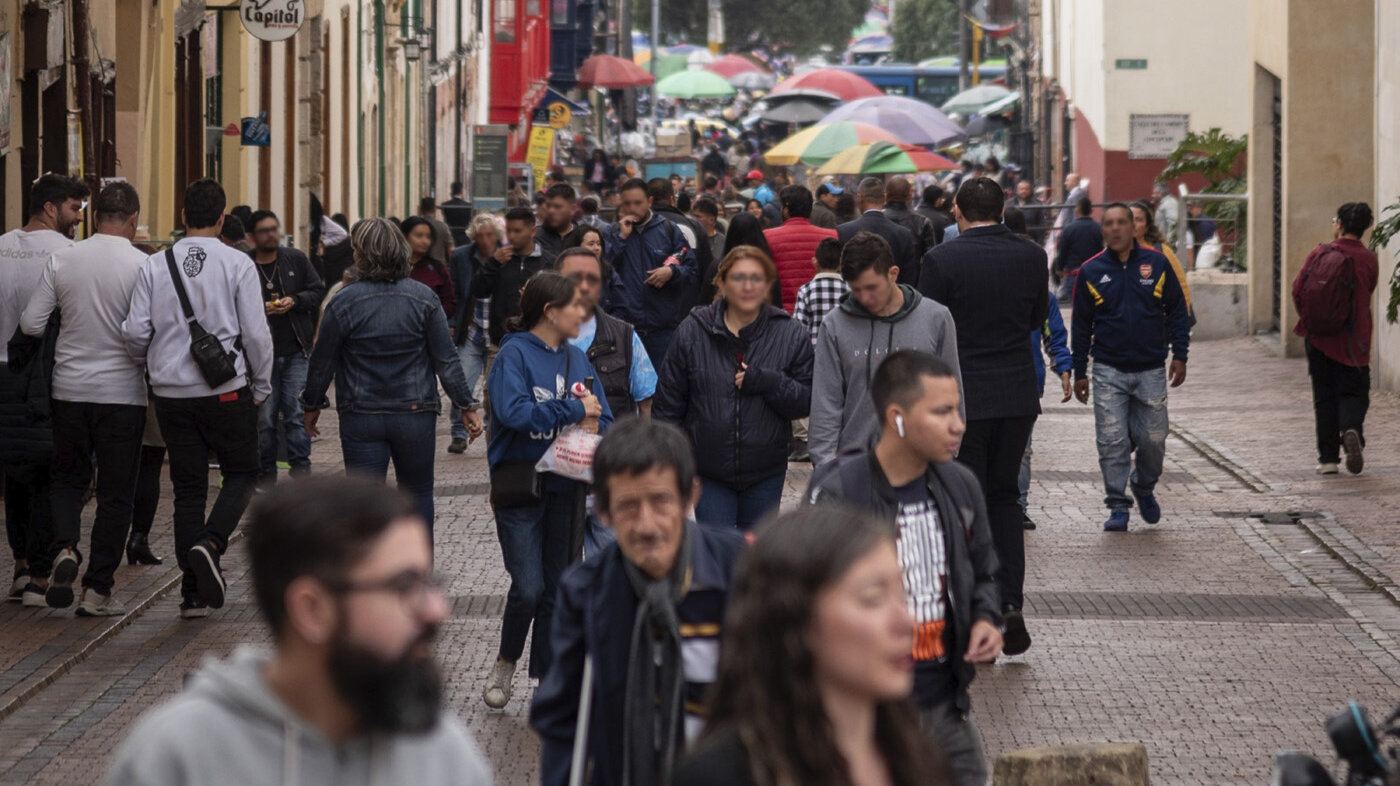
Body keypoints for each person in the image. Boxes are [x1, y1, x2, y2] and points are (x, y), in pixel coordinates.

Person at [104, 476, 495, 785]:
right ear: (312, 609)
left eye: (429, 583)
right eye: (404, 587)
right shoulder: (174, 759)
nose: (437, 610)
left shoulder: (443, 754)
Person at [804, 350, 1002, 786]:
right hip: (865, 719)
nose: (959, 424)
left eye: (957, 409)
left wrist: (987, 617)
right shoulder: (840, 491)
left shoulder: (960, 485)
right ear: (897, 418)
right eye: (942, 411)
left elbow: (984, 569)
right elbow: (804, 599)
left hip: (945, 709)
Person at [530, 418, 744, 786]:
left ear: (690, 497)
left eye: (660, 501)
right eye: (628, 507)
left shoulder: (741, 571)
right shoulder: (586, 591)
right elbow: (564, 719)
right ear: (604, 513)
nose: (646, 525)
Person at [674, 507, 952, 786]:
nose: (907, 622)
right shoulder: (720, 775)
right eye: (873, 598)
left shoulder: (921, 755)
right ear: (794, 617)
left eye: (903, 596)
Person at [122, 178, 274, 619]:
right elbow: (256, 334)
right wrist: (260, 387)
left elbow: (135, 332)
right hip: (225, 391)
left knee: (187, 488)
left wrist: (149, 364)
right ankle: (211, 542)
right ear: (223, 218)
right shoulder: (238, 263)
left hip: (170, 394)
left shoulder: (155, 264)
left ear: (183, 215)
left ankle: (192, 594)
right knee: (243, 473)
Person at [918, 177, 1048, 657]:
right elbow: (1036, 317)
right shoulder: (1032, 256)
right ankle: (1010, 601)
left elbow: (930, 326)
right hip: (1015, 394)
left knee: (962, 505)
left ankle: (976, 608)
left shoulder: (941, 260)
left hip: (962, 397)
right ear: (1002, 206)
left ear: (957, 210)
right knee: (1005, 499)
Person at [482, 272, 613, 708]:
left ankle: (547, 680)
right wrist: (574, 408)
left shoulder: (578, 358)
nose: (583, 312)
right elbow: (515, 412)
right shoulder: (514, 354)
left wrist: (594, 420)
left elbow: (605, 418)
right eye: (575, 305)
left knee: (558, 587)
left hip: (567, 486)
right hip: (520, 485)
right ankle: (506, 659)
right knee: (529, 587)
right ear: (550, 312)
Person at [301, 218, 479, 535]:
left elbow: (322, 361)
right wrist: (466, 404)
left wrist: (312, 404)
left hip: (361, 414)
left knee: (366, 502)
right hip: (415, 412)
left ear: (362, 255)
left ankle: (372, 574)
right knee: (418, 492)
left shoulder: (343, 301)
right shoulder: (424, 298)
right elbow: (446, 359)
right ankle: (419, 571)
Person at [16, 182, 144, 615]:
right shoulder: (144, 265)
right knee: (115, 491)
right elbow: (147, 333)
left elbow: (32, 324)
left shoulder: (63, 258)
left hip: (68, 389)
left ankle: (66, 548)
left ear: (94, 217)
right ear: (133, 219)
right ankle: (97, 589)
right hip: (124, 393)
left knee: (67, 479)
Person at [654, 246, 813, 531]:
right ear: (722, 283)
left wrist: (769, 382)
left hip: (766, 471)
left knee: (755, 559)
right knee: (719, 557)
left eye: (756, 278)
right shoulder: (693, 331)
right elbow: (669, 405)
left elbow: (805, 401)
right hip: (708, 470)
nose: (748, 286)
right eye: (739, 278)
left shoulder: (789, 332)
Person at [1071, 203, 1190, 532]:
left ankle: (1143, 486)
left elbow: (1177, 313)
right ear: (1103, 230)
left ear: (1133, 227)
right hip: (1108, 370)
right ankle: (1117, 504)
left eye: (1122, 222)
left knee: (1153, 438)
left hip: (1151, 369)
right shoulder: (1091, 271)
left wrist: (1180, 354)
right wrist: (1080, 371)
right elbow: (1080, 326)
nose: (1115, 228)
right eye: (1108, 223)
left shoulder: (1157, 263)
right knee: (1111, 440)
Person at [0, 173, 87, 606]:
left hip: (2, 373)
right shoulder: (69, 254)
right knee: (48, 472)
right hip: (44, 376)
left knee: (14, 474)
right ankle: (37, 572)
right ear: (52, 208)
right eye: (75, 209)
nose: (78, 219)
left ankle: (19, 566)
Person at [809, 232, 962, 467]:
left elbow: (953, 394)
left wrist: (945, 457)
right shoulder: (835, 324)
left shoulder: (936, 318)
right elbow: (826, 402)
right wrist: (826, 467)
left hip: (921, 466)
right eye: (856, 289)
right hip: (854, 469)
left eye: (871, 287)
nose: (864, 297)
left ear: (893, 274)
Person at [1292, 203, 1378, 476]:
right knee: (1354, 392)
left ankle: (1328, 459)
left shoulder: (1319, 253)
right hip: (1354, 340)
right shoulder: (1368, 259)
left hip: (1318, 338)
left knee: (1324, 396)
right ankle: (1352, 429)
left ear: (1339, 224)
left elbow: (1298, 290)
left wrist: (1313, 320)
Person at [246, 210, 325, 485]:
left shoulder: (295, 259)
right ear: (252, 237)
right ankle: (265, 476)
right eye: (264, 230)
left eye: (274, 229)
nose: (271, 234)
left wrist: (296, 300)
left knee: (294, 412)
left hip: (295, 350)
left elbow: (317, 291)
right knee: (265, 419)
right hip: (261, 355)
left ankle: (301, 470)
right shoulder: (244, 265)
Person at [603, 178, 698, 366]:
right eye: (627, 203)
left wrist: (671, 273)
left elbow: (692, 270)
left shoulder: (669, 230)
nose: (632, 208)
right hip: (625, 329)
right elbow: (602, 270)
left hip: (662, 329)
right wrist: (621, 238)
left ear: (650, 202)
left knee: (663, 385)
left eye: (638, 203)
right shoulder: (612, 233)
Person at [559, 247, 657, 418]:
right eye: (574, 278)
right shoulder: (535, 337)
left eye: (592, 279)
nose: (583, 287)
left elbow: (646, 404)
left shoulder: (625, 337)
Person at [446, 214, 499, 454]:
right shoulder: (461, 257)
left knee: (494, 388)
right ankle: (458, 431)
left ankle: (489, 429)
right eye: (480, 236)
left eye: (490, 235)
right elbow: (455, 292)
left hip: (496, 331)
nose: (486, 240)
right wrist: (453, 321)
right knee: (462, 382)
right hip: (472, 329)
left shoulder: (505, 256)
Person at [472, 207, 551, 349]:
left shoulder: (548, 262)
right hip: (501, 342)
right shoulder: (499, 259)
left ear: (532, 231)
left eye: (517, 231)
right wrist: (493, 263)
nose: (512, 236)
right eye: (508, 231)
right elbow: (479, 290)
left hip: (539, 342)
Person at [764, 185, 838, 314]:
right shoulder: (831, 236)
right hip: (822, 311)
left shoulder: (767, 237)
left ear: (786, 210)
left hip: (781, 314)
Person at [838, 177, 920, 287]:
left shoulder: (843, 231)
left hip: (854, 298)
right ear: (884, 198)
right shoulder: (903, 234)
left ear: (859, 198)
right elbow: (909, 278)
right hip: (892, 298)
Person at [1130, 200, 1194, 315]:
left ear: (1147, 227)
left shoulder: (1162, 251)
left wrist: (1183, 318)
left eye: (1138, 219)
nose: (1133, 223)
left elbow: (1180, 285)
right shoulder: (1111, 252)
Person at [402, 216, 456, 319]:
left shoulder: (437, 268)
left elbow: (450, 303)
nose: (425, 241)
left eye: (428, 237)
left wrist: (430, 314)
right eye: (419, 236)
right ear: (405, 237)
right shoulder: (392, 267)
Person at [1054, 196, 1102, 302]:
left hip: (1074, 274)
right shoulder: (1098, 228)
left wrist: (1059, 268)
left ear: (1077, 210)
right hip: (1094, 273)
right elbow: (1101, 251)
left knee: (1076, 307)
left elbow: (1063, 251)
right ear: (1091, 210)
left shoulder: (1068, 229)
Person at [884, 177, 938, 262]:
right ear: (911, 193)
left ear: (885, 196)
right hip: (912, 273)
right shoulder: (923, 222)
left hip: (881, 274)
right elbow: (931, 259)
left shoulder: (875, 219)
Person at [537, 183, 578, 265]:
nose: (551, 211)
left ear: (573, 209)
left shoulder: (581, 237)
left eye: (557, 207)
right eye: (548, 206)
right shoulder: (535, 237)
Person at [417, 197, 456, 267]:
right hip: (439, 267)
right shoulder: (443, 226)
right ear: (434, 209)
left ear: (421, 210)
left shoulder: (415, 226)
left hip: (418, 266)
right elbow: (451, 249)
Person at [690, 196, 727, 268]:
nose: (693, 220)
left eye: (698, 216)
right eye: (693, 216)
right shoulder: (690, 239)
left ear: (711, 220)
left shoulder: (723, 242)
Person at [1011, 180, 1047, 244]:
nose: (1024, 191)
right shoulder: (1009, 204)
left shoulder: (1037, 204)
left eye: (1026, 189)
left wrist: (1040, 242)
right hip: (1012, 239)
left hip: (1031, 238)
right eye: (1021, 189)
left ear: (1030, 190)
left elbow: (1041, 224)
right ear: (1016, 191)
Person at [1187, 202, 1221, 269]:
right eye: (1189, 207)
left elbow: (1208, 240)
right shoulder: (1197, 219)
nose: (1190, 209)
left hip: (1209, 246)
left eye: (1192, 208)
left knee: (1201, 267)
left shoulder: (1204, 222)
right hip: (1209, 245)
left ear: (1199, 209)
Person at [441, 181, 474, 247]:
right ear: (461, 191)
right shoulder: (468, 206)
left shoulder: (445, 205)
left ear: (452, 191)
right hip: (464, 237)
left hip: (450, 236)